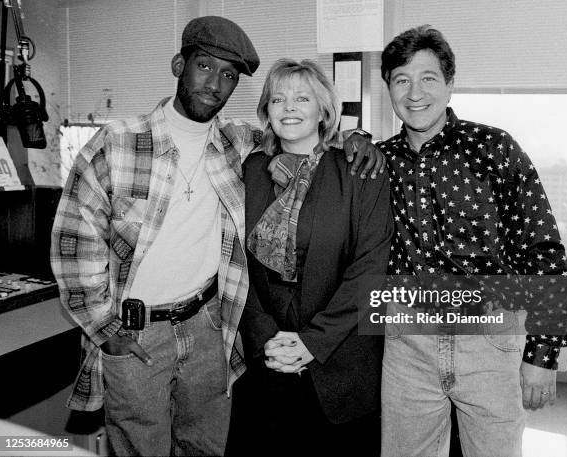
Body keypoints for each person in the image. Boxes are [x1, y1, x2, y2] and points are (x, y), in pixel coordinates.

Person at [50, 16, 382, 457]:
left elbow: (306, 136)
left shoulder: (235, 144)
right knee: (139, 447)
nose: (215, 83)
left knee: (208, 446)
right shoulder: (116, 143)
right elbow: (75, 241)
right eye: (204, 67)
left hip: (211, 327)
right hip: (136, 331)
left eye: (229, 75)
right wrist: (104, 328)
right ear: (178, 65)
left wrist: (358, 136)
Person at [377, 25, 567, 457]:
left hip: (490, 337)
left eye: (428, 78)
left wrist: (542, 355)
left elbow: (542, 250)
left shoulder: (495, 148)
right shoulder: (378, 162)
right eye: (401, 80)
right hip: (408, 342)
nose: (415, 93)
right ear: (388, 87)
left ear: (449, 83)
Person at [224, 59, 392, 457]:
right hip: (265, 359)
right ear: (266, 110)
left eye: (303, 98)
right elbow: (233, 259)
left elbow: (371, 266)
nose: (290, 107)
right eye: (278, 99)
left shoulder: (359, 169)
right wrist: (265, 335)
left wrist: (313, 342)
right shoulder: (247, 170)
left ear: (324, 110)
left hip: (341, 364)